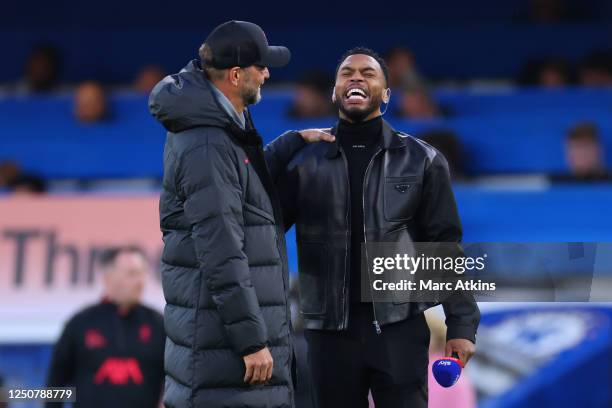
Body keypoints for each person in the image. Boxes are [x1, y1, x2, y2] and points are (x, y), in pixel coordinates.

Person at [268, 47, 480, 408]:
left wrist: (460, 323)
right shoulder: (303, 162)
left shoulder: (423, 159)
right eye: (346, 73)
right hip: (327, 332)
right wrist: (284, 145)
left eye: (368, 73)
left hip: (400, 327)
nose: (356, 77)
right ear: (334, 92)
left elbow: (443, 245)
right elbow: (262, 226)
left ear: (385, 94)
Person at [149, 20, 333, 408]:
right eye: (261, 67)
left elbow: (238, 186)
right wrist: (251, 341)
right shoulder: (207, 143)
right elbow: (221, 250)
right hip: (225, 357)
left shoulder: (218, 127)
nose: (266, 74)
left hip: (220, 347)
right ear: (235, 75)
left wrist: (290, 144)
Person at [45, 246, 165, 408]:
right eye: (131, 274)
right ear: (108, 279)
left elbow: (176, 383)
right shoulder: (80, 324)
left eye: (142, 273)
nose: (140, 282)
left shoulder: (158, 324)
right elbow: (54, 384)